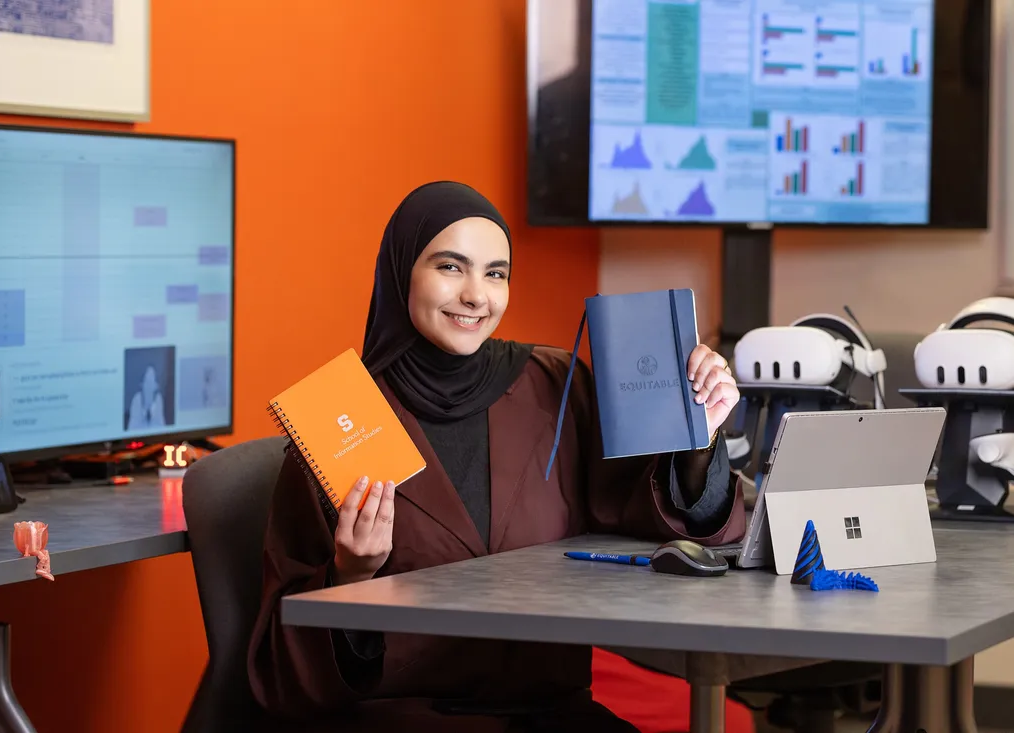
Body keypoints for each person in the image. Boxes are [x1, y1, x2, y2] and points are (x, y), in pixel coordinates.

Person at [248, 181, 748, 733]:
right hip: (403, 716)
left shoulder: (555, 383)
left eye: (495, 273)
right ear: (400, 273)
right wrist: (349, 574)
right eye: (449, 267)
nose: (476, 296)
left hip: (549, 709)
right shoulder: (337, 417)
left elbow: (640, 515)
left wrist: (696, 432)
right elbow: (280, 660)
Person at [126, 364, 166, 430]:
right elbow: (132, 428)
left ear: (156, 386)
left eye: (151, 380)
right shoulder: (137, 399)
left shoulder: (158, 399)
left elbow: (161, 426)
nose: (149, 385)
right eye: (147, 380)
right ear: (141, 384)